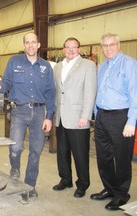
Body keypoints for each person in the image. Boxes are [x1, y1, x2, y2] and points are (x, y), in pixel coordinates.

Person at [0, 32, 55, 197]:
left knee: (36, 150)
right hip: (19, 110)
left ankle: (30, 186)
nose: (30, 45)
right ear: (24, 45)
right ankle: (15, 167)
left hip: (39, 112)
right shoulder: (14, 62)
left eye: (33, 42)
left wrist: (49, 116)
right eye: (27, 42)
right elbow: (7, 83)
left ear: (38, 45)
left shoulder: (46, 66)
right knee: (16, 146)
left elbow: (50, 93)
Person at [90, 33, 137, 210]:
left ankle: (121, 194)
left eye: (111, 44)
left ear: (118, 44)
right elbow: (99, 92)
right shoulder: (102, 67)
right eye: (104, 45)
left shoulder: (130, 64)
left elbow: (135, 94)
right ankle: (109, 189)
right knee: (103, 157)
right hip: (102, 116)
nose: (108, 48)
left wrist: (131, 121)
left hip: (121, 117)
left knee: (122, 158)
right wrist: (96, 115)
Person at [52, 37, 97, 198]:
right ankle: (65, 179)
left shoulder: (88, 66)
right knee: (62, 152)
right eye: (68, 47)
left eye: (74, 47)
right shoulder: (57, 67)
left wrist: (86, 115)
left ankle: (83, 184)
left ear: (79, 49)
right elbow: (57, 92)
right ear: (63, 49)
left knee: (80, 153)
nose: (71, 50)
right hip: (61, 117)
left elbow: (90, 92)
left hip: (78, 118)